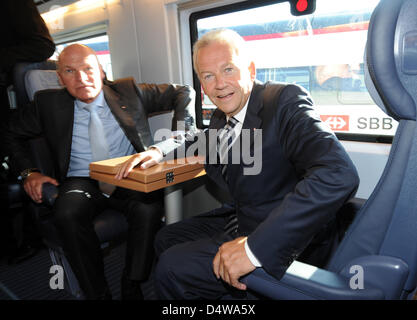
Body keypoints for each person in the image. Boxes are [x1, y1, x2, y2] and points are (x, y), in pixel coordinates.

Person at [118, 29, 360, 299]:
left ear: (251, 70)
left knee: (171, 269)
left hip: (283, 233)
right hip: (243, 215)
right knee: (166, 238)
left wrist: (254, 249)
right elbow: (199, 138)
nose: (219, 84)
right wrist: (158, 151)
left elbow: (338, 173)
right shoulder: (224, 116)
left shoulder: (283, 102)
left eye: (228, 69)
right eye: (208, 76)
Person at [4, 43, 196, 300]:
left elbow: (184, 91)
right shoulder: (46, 104)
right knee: (67, 213)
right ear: (60, 78)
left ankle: (132, 282)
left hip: (127, 173)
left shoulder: (129, 92)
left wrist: (170, 142)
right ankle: (97, 293)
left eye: (88, 69)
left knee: (148, 207)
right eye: (70, 71)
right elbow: (9, 131)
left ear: (102, 72)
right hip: (81, 179)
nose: (81, 78)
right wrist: (30, 172)